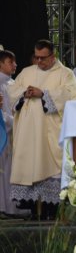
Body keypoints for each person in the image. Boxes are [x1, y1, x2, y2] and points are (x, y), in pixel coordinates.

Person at [9, 40, 76, 219]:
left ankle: (52, 211)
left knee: (49, 166)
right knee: (29, 165)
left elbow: (71, 94)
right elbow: (12, 91)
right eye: (36, 57)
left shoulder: (65, 73)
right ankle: (33, 209)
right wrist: (24, 93)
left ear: (53, 56)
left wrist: (44, 94)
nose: (39, 62)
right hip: (27, 131)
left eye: (43, 58)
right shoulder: (27, 72)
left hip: (50, 129)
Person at [0, 50, 17, 216]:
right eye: (10, 62)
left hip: (14, 130)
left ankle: (12, 207)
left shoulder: (13, 83)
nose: (15, 65)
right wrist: (13, 122)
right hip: (3, 130)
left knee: (11, 169)